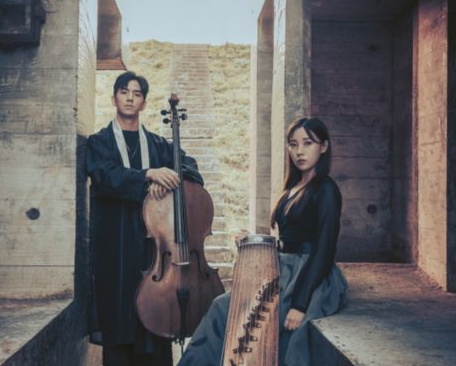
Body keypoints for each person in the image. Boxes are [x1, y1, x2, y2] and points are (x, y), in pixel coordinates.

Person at [177, 117, 348, 366]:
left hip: (310, 275)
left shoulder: (327, 190)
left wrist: (300, 305)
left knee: (274, 326)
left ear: (323, 147)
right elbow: (288, 238)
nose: (299, 151)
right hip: (282, 268)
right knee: (222, 307)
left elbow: (325, 249)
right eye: (293, 144)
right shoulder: (294, 186)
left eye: (307, 143)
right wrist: (251, 242)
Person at [85, 71, 203, 366]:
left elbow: (190, 168)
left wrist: (168, 178)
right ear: (114, 97)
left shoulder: (157, 144)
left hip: (153, 251)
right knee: (118, 323)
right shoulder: (99, 143)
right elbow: (105, 178)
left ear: (144, 103)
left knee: (155, 337)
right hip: (116, 248)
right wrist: (148, 174)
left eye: (136, 94)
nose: (129, 98)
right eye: (124, 91)